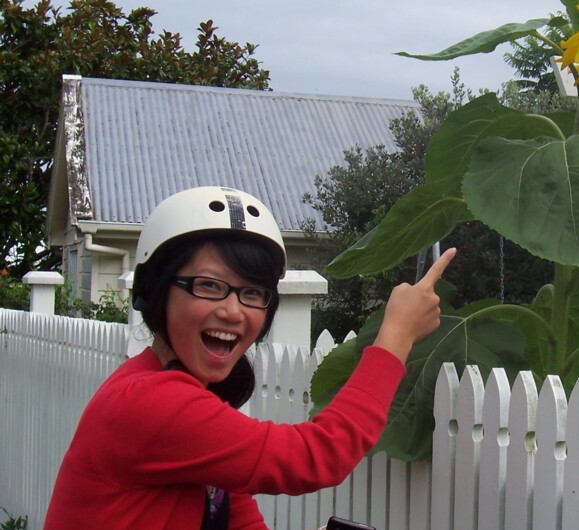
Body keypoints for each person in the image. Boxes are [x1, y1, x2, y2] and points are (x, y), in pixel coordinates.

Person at [44, 186, 456, 529]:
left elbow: (238, 519)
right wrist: (396, 335)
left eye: (253, 293)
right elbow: (318, 456)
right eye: (208, 285)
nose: (234, 310)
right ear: (156, 293)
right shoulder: (152, 402)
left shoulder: (178, 398)